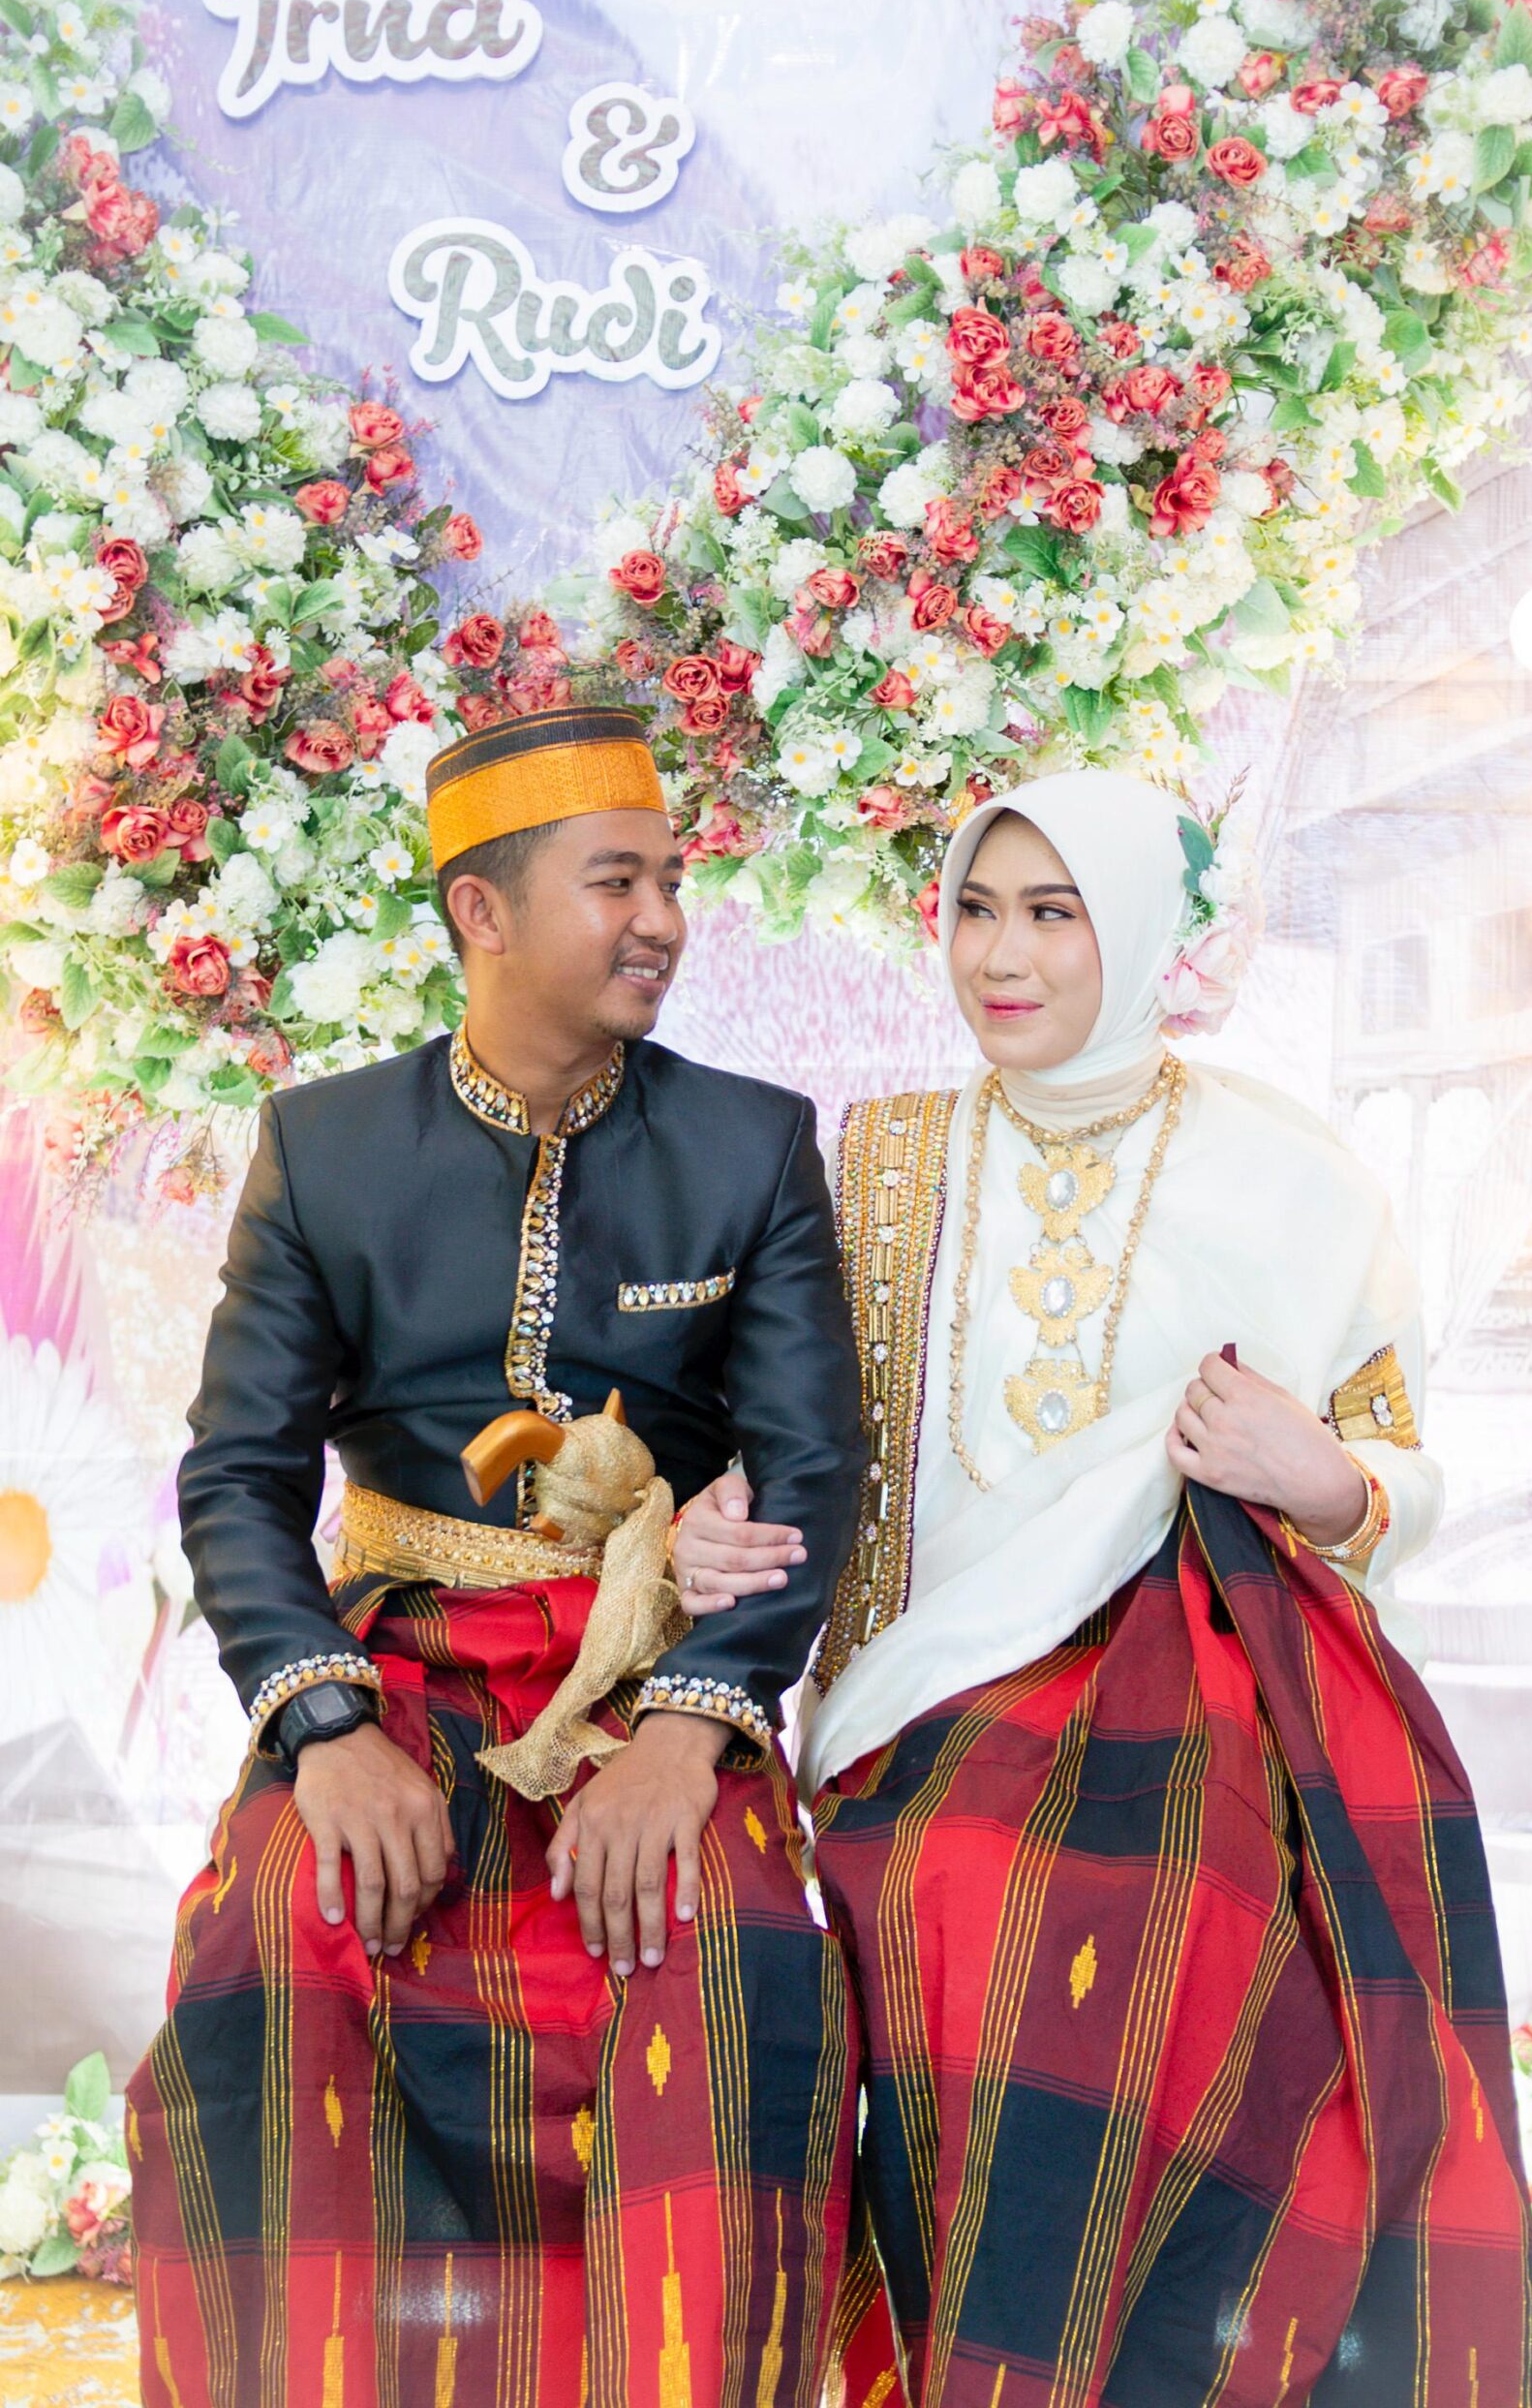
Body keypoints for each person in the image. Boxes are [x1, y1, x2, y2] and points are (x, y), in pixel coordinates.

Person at [675, 771, 1532, 2408]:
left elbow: (1397, 1467)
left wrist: (1324, 1478)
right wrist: (711, 1519)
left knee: (1159, 1920)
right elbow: (788, 1434)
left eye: (1052, 914)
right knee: (936, 1877)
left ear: (1146, 932)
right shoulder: (881, 1162)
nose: (998, 957)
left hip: (1192, 1683)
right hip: (913, 1699)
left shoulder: (1289, 1178)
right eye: (974, 910)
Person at [127, 703, 867, 2408]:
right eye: (618, 882)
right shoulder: (325, 1147)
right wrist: (324, 1730)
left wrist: (688, 1735)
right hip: (400, 1660)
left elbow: (812, 1468)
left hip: (654, 1672)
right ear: (483, 910)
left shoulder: (750, 1143)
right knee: (278, 1930)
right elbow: (238, 1473)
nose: (663, 919)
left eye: (671, 879)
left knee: (727, 1951)